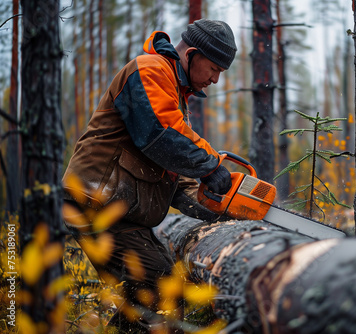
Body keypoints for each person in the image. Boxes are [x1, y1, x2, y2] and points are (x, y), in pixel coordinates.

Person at [62, 19, 237, 333]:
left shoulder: (173, 91)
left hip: (121, 212)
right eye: (213, 69)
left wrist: (211, 207)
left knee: (162, 288)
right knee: (157, 286)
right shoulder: (150, 70)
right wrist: (211, 166)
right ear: (192, 54)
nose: (214, 79)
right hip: (95, 203)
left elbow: (169, 167)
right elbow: (161, 134)